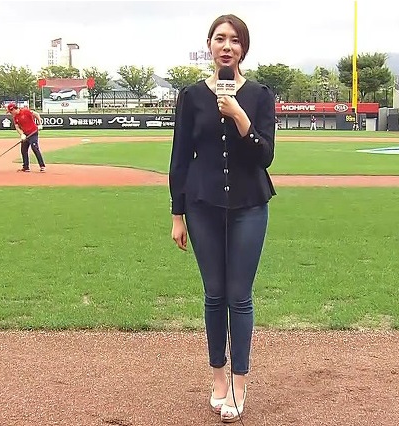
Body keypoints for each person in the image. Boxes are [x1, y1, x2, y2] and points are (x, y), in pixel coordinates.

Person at [168, 13, 276, 423]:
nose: (226, 46)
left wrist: (239, 115)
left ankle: (239, 383)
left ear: (243, 48)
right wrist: (177, 213)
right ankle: (218, 378)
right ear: (210, 46)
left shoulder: (260, 95)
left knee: (239, 296)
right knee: (214, 294)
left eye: (234, 40)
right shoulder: (192, 96)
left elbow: (265, 155)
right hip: (202, 206)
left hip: (250, 205)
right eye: (219, 39)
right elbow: (180, 158)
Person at [6, 102, 46, 172]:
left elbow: (36, 114)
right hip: (25, 134)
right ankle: (26, 167)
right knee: (23, 150)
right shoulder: (15, 117)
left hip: (33, 132)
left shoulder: (25, 111)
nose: (10, 113)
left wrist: (40, 124)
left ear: (13, 109)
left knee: (35, 148)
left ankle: (42, 166)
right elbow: (17, 127)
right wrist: (22, 134)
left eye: (10, 112)